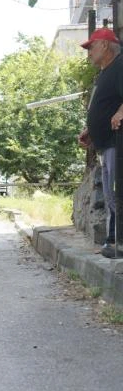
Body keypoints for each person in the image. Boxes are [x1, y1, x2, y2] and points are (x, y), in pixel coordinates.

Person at [78, 27, 123, 258]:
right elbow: (103, 106)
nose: (89, 53)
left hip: (118, 143)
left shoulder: (120, 65)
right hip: (105, 144)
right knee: (111, 195)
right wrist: (91, 130)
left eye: (91, 47)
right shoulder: (106, 71)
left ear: (105, 45)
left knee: (117, 194)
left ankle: (118, 244)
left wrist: (121, 112)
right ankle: (113, 241)